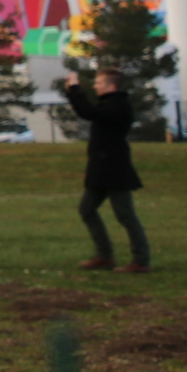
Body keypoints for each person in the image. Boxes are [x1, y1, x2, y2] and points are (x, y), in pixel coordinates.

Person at [63, 66, 150, 273]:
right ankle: (104, 256)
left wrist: (75, 89)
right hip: (100, 168)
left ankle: (141, 260)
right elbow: (87, 112)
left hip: (115, 168)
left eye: (99, 83)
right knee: (87, 209)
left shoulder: (119, 106)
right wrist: (73, 92)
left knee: (125, 215)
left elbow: (88, 112)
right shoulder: (108, 104)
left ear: (111, 86)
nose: (95, 86)